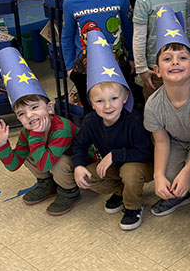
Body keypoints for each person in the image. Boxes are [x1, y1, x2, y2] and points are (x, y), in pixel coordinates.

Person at [52, 31, 153, 230]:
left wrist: (116, 155)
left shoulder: (133, 120)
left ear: (125, 98)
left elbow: (146, 152)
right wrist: (78, 165)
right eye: (99, 101)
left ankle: (133, 206)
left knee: (129, 171)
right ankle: (122, 192)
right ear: (91, 103)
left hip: (140, 165)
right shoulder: (91, 121)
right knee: (87, 176)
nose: (108, 106)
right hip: (116, 165)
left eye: (114, 98)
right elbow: (79, 144)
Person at [143, 10, 190, 217]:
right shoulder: (153, 105)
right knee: (166, 178)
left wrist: (186, 172)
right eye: (167, 58)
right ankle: (179, 195)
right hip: (175, 142)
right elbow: (161, 142)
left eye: (182, 58)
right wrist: (158, 176)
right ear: (157, 70)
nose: (175, 62)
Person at [0, 47, 79, 215]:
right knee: (28, 153)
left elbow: (45, 164)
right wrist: (2, 145)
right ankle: (48, 183)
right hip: (49, 161)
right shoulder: (27, 131)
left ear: (50, 108)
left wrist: (36, 136)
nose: (29, 116)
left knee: (58, 162)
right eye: (21, 114)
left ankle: (69, 191)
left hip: (82, 165)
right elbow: (14, 164)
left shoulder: (62, 128)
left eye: (34, 107)